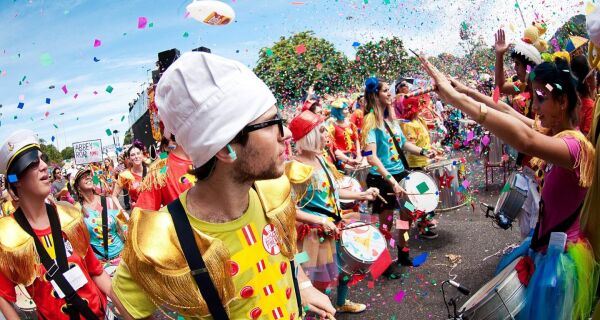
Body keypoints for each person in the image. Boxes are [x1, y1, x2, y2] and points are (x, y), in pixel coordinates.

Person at [110, 52, 335, 320]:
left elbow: (285, 252)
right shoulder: (162, 237)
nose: (285, 134)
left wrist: (305, 286)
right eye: (270, 123)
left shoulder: (274, 193)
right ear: (226, 149)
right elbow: (124, 305)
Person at [417, 53, 597, 320]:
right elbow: (506, 111)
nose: (534, 107)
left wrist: (455, 100)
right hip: (544, 250)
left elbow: (525, 140)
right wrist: (462, 89)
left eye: (541, 99)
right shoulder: (556, 135)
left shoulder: (574, 148)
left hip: (560, 264)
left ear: (562, 101)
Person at [0, 129, 112, 319]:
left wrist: (130, 310)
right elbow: (4, 296)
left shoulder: (71, 217)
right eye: (33, 163)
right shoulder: (7, 236)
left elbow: (96, 272)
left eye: (42, 159)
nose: (44, 166)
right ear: (15, 180)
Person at [287, 110, 379, 314]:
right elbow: (288, 210)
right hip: (313, 237)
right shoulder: (295, 167)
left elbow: (334, 190)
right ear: (308, 136)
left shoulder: (321, 159)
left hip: (335, 225)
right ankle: (320, 313)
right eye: (320, 130)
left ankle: (341, 301)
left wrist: (362, 195)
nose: (326, 133)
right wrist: (318, 221)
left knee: (347, 267)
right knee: (317, 277)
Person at [361, 77, 435, 272]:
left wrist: (423, 151)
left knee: (407, 215)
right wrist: (392, 181)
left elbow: (403, 144)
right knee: (385, 224)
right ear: (375, 95)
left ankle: (403, 252)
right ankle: (383, 262)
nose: (390, 94)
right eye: (385, 91)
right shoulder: (370, 121)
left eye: (389, 90)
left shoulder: (391, 119)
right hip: (383, 181)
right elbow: (370, 156)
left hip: (402, 176)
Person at [398, 94, 443, 239]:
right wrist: (424, 152)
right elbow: (409, 146)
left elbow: (425, 140)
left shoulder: (420, 120)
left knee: (424, 196)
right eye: (420, 104)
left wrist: (432, 150)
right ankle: (421, 225)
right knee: (418, 198)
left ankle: (423, 221)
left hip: (423, 163)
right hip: (414, 166)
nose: (423, 105)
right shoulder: (407, 124)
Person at [74, 167, 127, 269]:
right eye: (84, 177)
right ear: (78, 186)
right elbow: (79, 241)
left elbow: (123, 225)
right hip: (100, 263)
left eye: (89, 176)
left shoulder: (108, 201)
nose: (88, 178)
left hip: (122, 256)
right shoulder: (77, 210)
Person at [135, 133, 195, 210]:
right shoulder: (162, 162)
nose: (173, 146)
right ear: (165, 147)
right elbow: (160, 167)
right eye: (171, 144)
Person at [111, 141, 147, 211]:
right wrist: (123, 211)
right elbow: (114, 196)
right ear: (129, 158)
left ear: (142, 154)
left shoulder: (151, 170)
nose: (136, 156)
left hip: (155, 212)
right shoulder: (125, 175)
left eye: (138, 153)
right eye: (133, 155)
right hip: (138, 214)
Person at [329, 99, 362, 164]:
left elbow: (356, 139)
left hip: (355, 153)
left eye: (347, 109)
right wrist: (348, 159)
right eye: (345, 109)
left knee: (370, 153)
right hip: (342, 158)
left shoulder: (351, 124)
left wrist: (359, 154)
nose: (347, 111)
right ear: (338, 112)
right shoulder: (332, 127)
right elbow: (333, 147)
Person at [570, 55, 597, 136]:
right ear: (588, 79)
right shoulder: (590, 106)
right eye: (593, 73)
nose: (595, 78)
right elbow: (586, 138)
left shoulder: (572, 98)